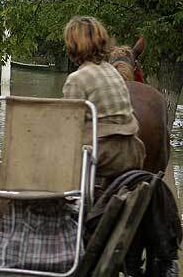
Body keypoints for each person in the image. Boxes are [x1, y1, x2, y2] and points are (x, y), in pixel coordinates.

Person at [62, 16, 145, 179]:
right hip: (132, 150)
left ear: (72, 46)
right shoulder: (112, 71)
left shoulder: (77, 78)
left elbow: (69, 129)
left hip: (104, 155)